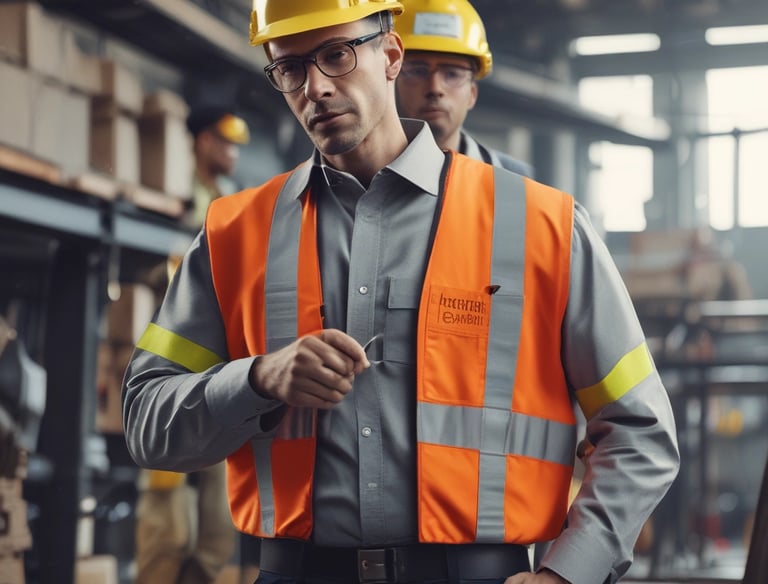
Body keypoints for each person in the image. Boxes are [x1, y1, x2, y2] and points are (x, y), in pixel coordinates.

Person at [122, 2, 680, 583]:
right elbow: (144, 420)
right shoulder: (233, 233)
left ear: (390, 56)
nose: (315, 87)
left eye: (336, 55)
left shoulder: (543, 225)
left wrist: (569, 574)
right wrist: (258, 379)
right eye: (289, 68)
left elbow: (641, 431)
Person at [132, 106, 251, 584]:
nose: (232, 153)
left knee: (220, 523)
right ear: (202, 142)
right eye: (224, 142)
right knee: (167, 517)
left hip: (220, 379)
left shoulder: (229, 204)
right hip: (172, 375)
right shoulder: (176, 195)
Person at [394, 0, 533, 176]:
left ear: (472, 94)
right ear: (393, 82)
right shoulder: (360, 177)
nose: (435, 88)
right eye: (418, 71)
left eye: (452, 74)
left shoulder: (519, 182)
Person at [185, 106, 251, 227]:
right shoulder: (183, 187)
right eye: (228, 143)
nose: (235, 154)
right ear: (205, 141)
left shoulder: (227, 194)